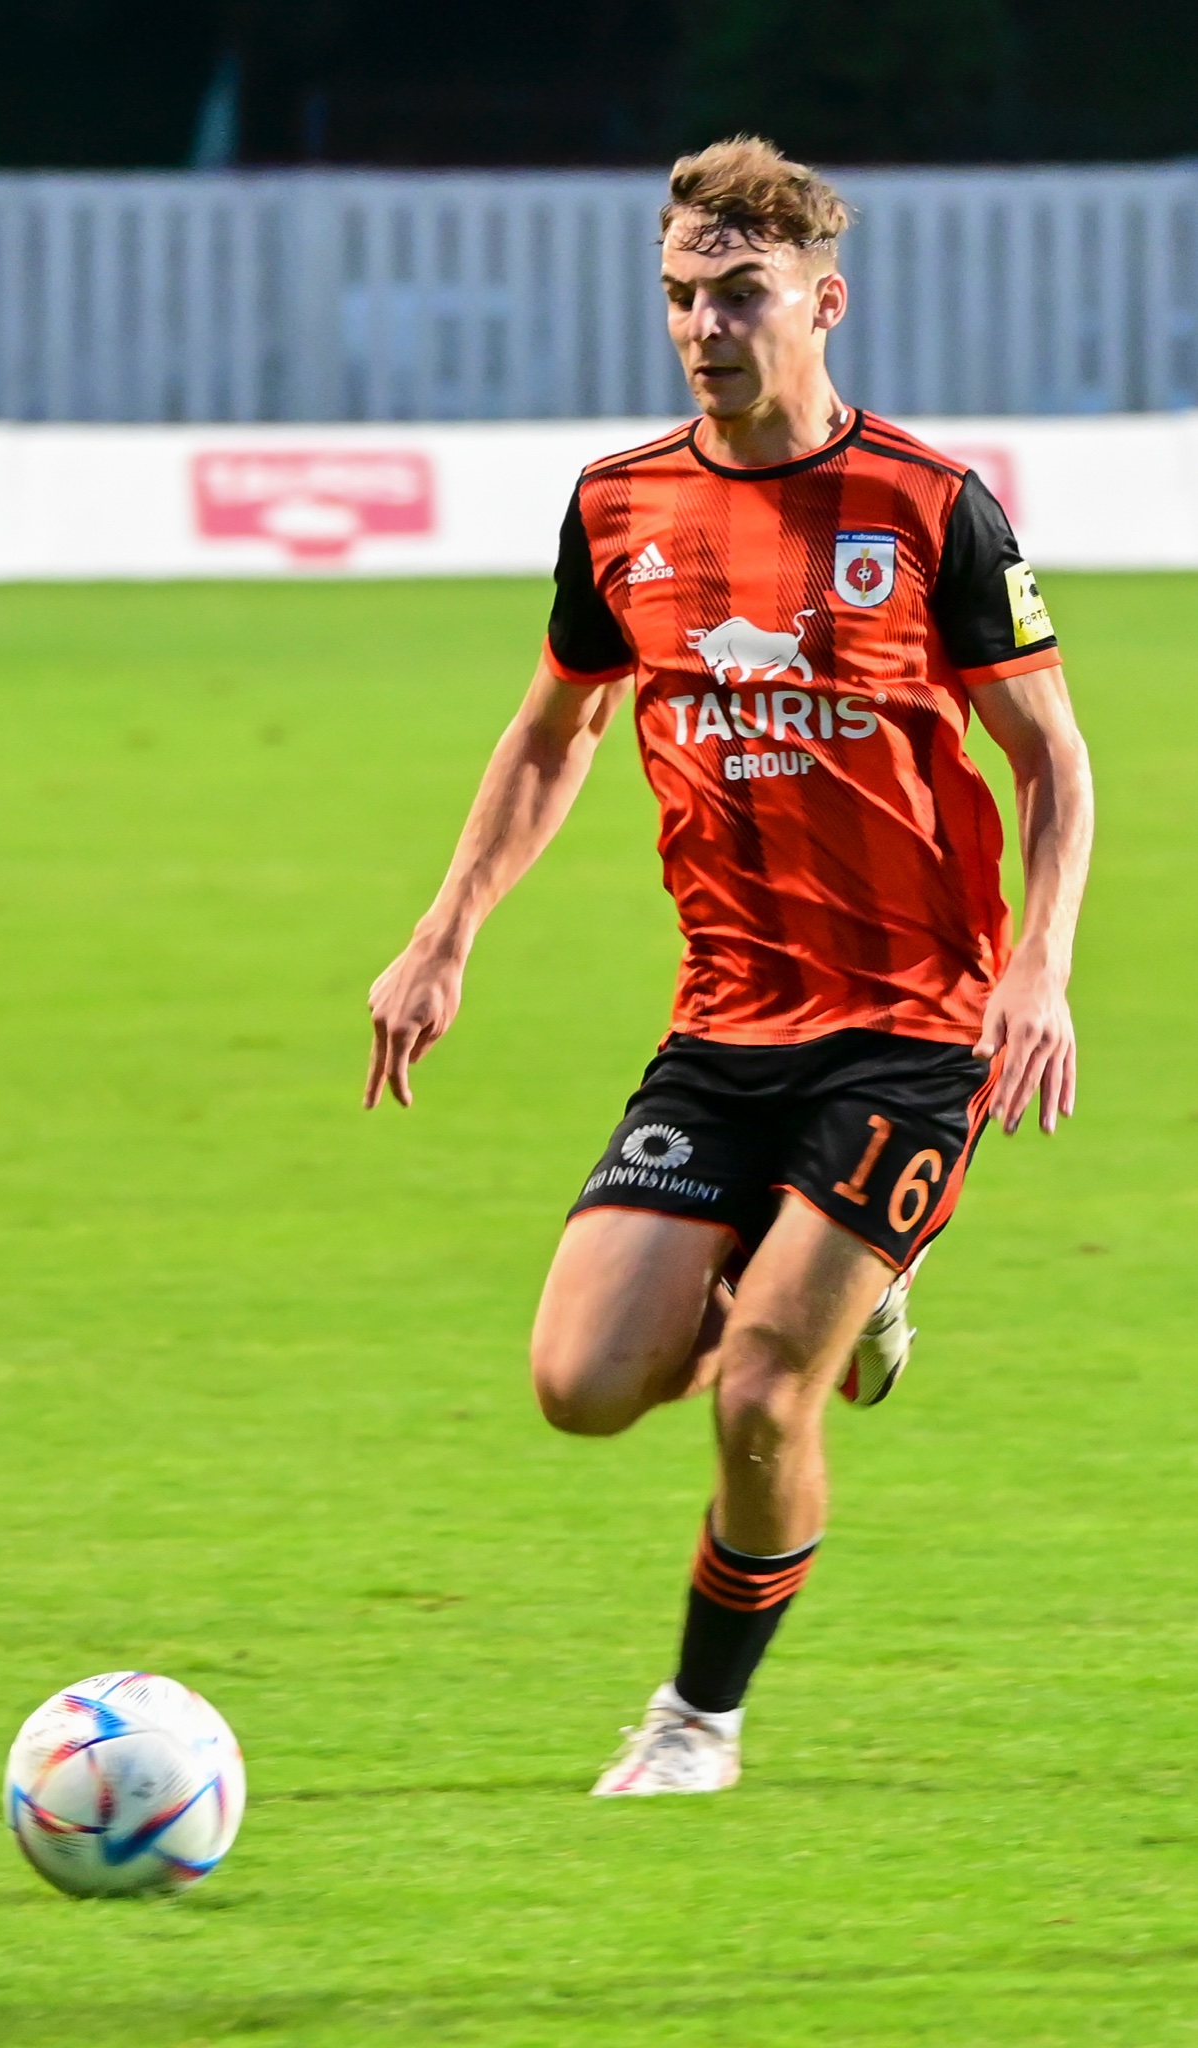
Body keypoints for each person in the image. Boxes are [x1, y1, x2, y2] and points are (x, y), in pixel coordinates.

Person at [364, 135, 1094, 1796]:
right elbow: (554, 730)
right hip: (724, 1024)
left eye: (741, 294)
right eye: (682, 294)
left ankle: (699, 1720)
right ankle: (835, 1290)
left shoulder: (929, 507)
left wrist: (1039, 969)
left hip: (913, 1026)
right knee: (578, 1384)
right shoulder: (619, 506)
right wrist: (442, 933)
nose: (704, 325)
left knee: (761, 1394)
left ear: (823, 302)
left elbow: (1052, 757)